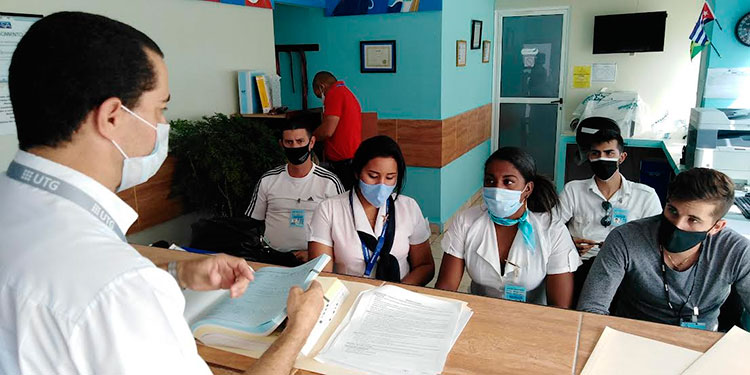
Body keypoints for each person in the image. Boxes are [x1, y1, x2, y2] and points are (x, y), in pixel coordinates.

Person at [0, 12, 322, 375]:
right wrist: (298, 330)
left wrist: (176, 272)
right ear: (111, 117)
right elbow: (107, 287)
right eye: (160, 108)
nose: (163, 126)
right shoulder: (121, 286)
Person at [578, 168, 750, 331]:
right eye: (673, 211)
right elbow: (591, 309)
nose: (678, 224)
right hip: (633, 339)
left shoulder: (737, 251)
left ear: (716, 227)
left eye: (693, 220)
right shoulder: (626, 238)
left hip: (702, 343)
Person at [436, 147, 581, 308]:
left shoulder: (552, 230)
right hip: (479, 313)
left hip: (533, 318)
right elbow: (446, 289)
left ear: (527, 189)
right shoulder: (466, 221)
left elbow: (560, 308)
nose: (498, 189)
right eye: (490, 181)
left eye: (508, 182)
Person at [308, 135, 434, 285]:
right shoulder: (329, 209)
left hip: (399, 295)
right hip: (350, 296)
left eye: (390, 177)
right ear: (357, 172)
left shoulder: (408, 207)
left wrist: (397, 292)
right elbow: (322, 275)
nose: (381, 185)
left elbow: (425, 266)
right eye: (373, 176)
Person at [555, 128, 662, 302]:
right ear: (589, 157)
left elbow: (656, 241)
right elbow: (552, 226)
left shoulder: (645, 196)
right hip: (582, 263)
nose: (602, 158)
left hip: (626, 268)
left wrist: (622, 249)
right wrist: (569, 244)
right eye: (595, 153)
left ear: (622, 157)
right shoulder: (573, 190)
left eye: (609, 153)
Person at [245, 121, 343, 263]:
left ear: (311, 142)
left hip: (314, 260)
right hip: (272, 257)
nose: (295, 147)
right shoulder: (268, 179)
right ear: (281, 144)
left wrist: (314, 253)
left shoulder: (329, 182)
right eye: (289, 142)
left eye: (300, 141)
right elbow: (254, 222)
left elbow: (342, 229)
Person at [312, 71, 362, 191]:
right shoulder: (346, 93)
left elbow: (327, 131)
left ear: (322, 86)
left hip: (343, 162)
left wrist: (309, 138)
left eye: (319, 95)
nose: (322, 99)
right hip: (351, 158)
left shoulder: (334, 94)